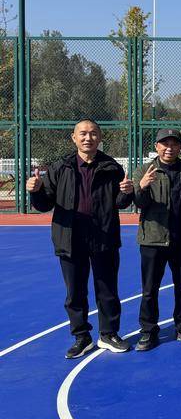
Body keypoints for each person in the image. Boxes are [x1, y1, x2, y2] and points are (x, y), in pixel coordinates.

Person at [28, 119, 134, 358]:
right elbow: (45, 204)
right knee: (75, 292)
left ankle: (108, 334)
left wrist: (127, 193)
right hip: (70, 238)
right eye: (83, 133)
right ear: (74, 138)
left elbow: (120, 203)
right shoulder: (60, 167)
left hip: (103, 237)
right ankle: (81, 337)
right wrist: (36, 191)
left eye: (93, 133)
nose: (88, 138)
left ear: (100, 138)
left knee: (107, 290)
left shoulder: (111, 167)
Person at [131, 128, 181, 351]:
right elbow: (139, 203)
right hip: (153, 239)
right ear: (157, 147)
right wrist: (142, 187)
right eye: (165, 144)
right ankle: (148, 331)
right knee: (150, 289)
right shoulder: (144, 170)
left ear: (180, 147)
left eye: (174, 144)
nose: (169, 148)